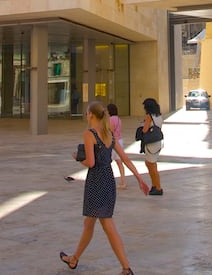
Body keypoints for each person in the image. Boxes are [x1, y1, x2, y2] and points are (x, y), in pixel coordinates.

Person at [59, 101, 149, 274]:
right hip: (109, 180)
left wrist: (78, 158)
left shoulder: (89, 134)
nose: (86, 115)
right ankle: (74, 258)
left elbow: (91, 163)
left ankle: (126, 268)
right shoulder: (109, 135)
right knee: (89, 223)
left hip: (96, 182)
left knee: (107, 226)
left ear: (91, 115)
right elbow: (125, 158)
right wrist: (139, 179)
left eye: (87, 113)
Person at [139, 97, 165, 195]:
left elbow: (145, 130)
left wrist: (143, 124)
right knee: (150, 163)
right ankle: (154, 185)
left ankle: (157, 187)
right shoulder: (158, 116)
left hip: (151, 143)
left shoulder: (149, 116)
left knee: (152, 165)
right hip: (157, 141)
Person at [107, 103, 127, 189]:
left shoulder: (110, 119)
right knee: (119, 162)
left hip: (113, 142)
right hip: (120, 140)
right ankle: (123, 181)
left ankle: (108, 182)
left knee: (107, 162)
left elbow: (110, 131)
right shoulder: (119, 119)